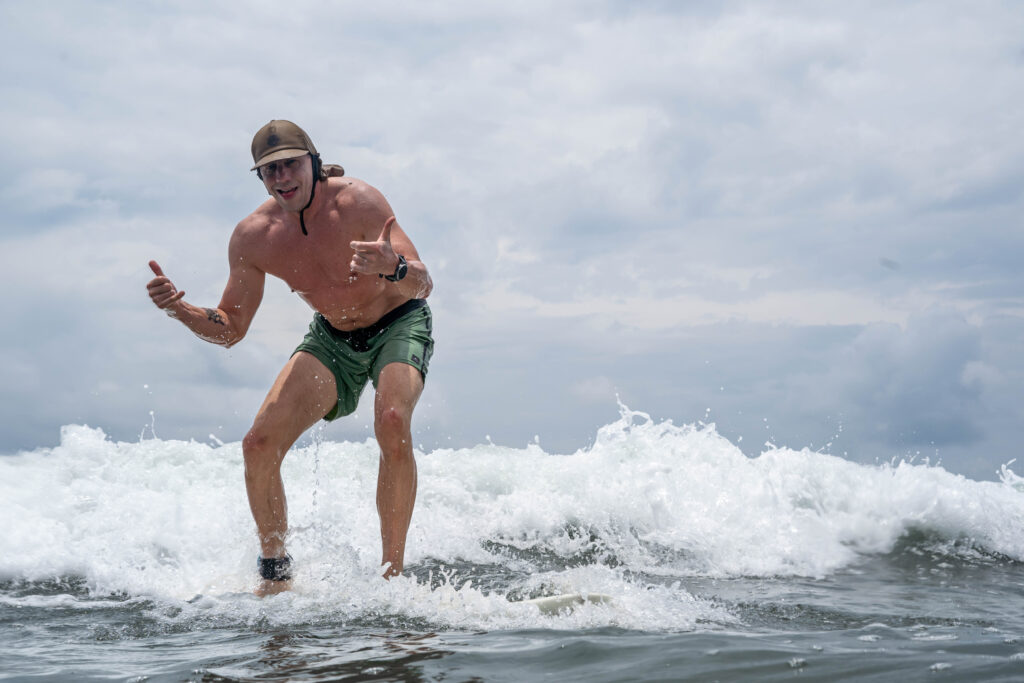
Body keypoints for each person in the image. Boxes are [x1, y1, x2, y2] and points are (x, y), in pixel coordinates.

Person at [146, 120, 434, 595]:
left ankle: (392, 580)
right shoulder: (254, 237)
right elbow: (230, 329)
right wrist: (180, 310)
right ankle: (277, 577)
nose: (281, 178)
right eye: (269, 170)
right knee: (257, 444)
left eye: (290, 165)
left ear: (314, 163)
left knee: (390, 418)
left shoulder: (360, 202)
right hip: (332, 337)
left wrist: (393, 267)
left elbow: (424, 284)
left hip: (399, 321)